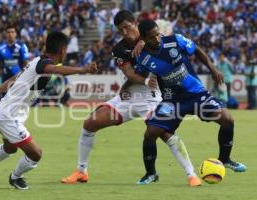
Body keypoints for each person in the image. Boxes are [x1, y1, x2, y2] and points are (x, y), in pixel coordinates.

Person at [61, 10, 201, 186]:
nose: (125, 33)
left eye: (127, 27)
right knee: (90, 123)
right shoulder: (119, 49)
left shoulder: (155, 38)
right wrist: (142, 80)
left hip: (150, 98)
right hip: (127, 98)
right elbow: (130, 74)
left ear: (135, 23)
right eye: (121, 30)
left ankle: (191, 175)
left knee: (166, 134)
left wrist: (143, 43)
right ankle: (81, 171)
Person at [0, 31, 98, 190]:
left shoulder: (35, 62)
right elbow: (54, 69)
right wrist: (83, 70)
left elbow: (12, 80)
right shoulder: (42, 64)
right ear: (63, 50)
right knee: (36, 153)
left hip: (10, 112)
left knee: (9, 148)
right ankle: (15, 177)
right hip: (9, 116)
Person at [134, 19, 246, 175]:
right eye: (152, 37)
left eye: (158, 34)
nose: (157, 39)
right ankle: (150, 174)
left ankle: (225, 160)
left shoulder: (175, 40)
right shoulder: (142, 58)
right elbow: (138, 74)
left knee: (227, 119)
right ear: (144, 39)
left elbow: (197, 50)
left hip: (196, 94)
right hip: (172, 101)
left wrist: (213, 70)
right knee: (151, 133)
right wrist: (146, 81)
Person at [0, 24, 30, 101]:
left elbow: (26, 64)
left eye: (12, 32)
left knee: (17, 104)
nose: (10, 34)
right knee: (3, 103)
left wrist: (27, 79)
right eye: (8, 32)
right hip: (5, 81)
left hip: (18, 80)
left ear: (15, 34)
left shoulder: (22, 46)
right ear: (5, 34)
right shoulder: (0, 48)